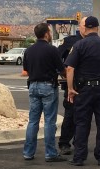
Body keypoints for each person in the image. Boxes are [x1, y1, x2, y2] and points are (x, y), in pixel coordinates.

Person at [65, 16, 100, 166]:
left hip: (84, 90)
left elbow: (70, 68)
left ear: (85, 28)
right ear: (97, 28)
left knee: (82, 123)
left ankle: (79, 157)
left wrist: (70, 88)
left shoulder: (79, 45)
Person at [22, 23, 67, 162]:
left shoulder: (28, 50)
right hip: (48, 86)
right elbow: (62, 70)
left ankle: (28, 153)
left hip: (33, 86)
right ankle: (50, 153)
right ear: (47, 34)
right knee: (49, 121)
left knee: (33, 121)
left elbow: (26, 70)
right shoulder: (52, 50)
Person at [57, 33, 83, 155]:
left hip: (88, 85)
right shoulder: (69, 41)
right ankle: (64, 143)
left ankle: (79, 143)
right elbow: (57, 57)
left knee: (84, 117)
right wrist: (64, 72)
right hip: (72, 84)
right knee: (70, 115)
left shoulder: (94, 41)